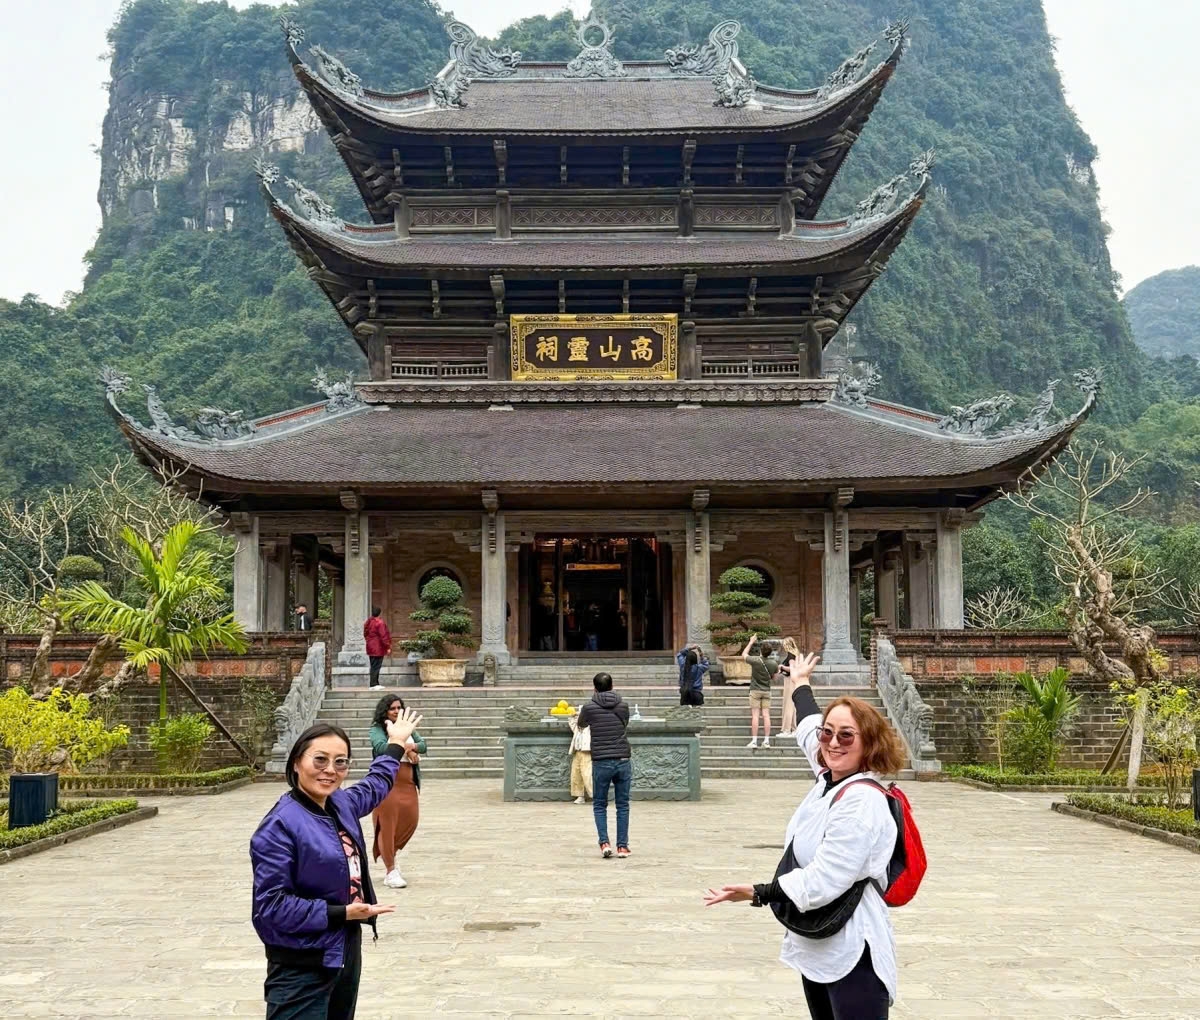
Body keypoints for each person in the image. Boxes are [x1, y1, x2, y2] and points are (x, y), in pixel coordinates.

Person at [704, 653, 906, 1019]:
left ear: (869, 744)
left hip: (852, 945)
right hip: (818, 939)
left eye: (846, 735)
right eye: (828, 734)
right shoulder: (830, 778)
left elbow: (826, 879)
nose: (832, 742)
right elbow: (808, 726)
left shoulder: (860, 801)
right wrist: (799, 682)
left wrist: (758, 892)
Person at [250, 707, 422, 1020]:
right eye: (320, 759)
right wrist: (340, 913)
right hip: (302, 962)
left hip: (343, 947)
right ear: (296, 763)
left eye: (340, 762)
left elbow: (375, 784)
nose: (330, 770)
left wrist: (395, 744)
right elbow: (270, 908)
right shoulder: (280, 825)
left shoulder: (340, 803)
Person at [369, 694, 426, 889]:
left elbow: (424, 745)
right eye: (392, 708)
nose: (395, 711)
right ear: (384, 710)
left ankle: (391, 854)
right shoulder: (377, 729)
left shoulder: (407, 727)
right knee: (387, 826)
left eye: (398, 708)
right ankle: (390, 869)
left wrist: (410, 746)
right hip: (388, 782)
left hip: (408, 782)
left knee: (411, 820)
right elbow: (381, 747)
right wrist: (406, 748)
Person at [575, 671, 632, 858]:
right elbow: (625, 724)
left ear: (594, 687)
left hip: (601, 760)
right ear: (612, 686)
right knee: (622, 805)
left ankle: (604, 843)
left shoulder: (589, 707)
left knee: (600, 804)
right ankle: (622, 847)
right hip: (622, 759)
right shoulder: (623, 705)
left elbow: (581, 724)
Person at [742, 633, 778, 748]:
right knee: (766, 715)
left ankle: (754, 741)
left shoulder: (756, 660)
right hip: (766, 690)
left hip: (755, 690)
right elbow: (774, 678)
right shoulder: (774, 663)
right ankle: (766, 741)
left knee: (755, 716)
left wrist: (751, 642)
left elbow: (744, 654)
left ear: (761, 651)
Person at [567, 704, 593, 804]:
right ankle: (580, 795)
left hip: (587, 752)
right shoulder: (578, 727)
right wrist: (574, 715)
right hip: (577, 751)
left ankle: (595, 795)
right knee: (576, 775)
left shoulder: (591, 726)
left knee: (587, 775)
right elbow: (572, 722)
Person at [778, 636, 802, 737]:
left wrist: (782, 667)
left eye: (784, 644)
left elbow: (792, 668)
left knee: (788, 705)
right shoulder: (797, 653)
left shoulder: (791, 655)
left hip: (790, 681)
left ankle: (787, 730)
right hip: (794, 680)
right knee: (792, 705)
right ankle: (794, 728)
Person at [363, 606, 391, 688]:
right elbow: (384, 636)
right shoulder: (380, 623)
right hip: (378, 647)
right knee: (377, 666)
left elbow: (365, 634)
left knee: (373, 665)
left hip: (370, 646)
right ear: (379, 613)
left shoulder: (368, 622)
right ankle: (373, 684)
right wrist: (388, 646)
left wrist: (369, 641)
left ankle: (375, 683)